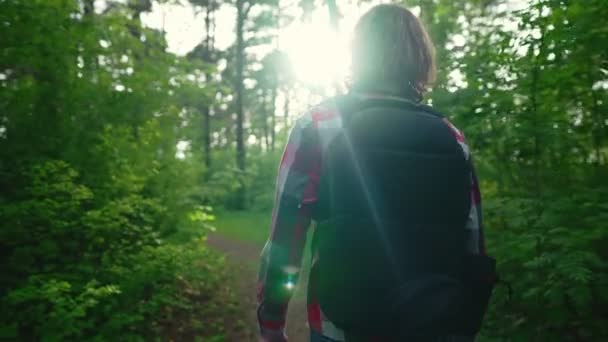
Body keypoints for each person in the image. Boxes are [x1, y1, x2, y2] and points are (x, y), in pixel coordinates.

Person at [257, 4, 494, 342]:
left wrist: (271, 325)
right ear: (420, 57)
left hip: (341, 325)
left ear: (357, 54)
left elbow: (285, 239)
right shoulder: (450, 136)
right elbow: (472, 241)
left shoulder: (319, 125)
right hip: (433, 322)